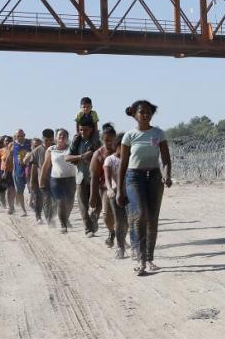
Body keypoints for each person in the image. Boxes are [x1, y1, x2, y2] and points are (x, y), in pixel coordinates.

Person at [117, 100, 172, 273]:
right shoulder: (129, 136)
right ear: (134, 114)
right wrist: (119, 189)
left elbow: (166, 159)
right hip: (134, 177)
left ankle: (149, 258)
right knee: (140, 214)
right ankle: (140, 260)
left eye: (149, 112)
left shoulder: (158, 134)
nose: (146, 115)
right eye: (142, 112)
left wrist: (167, 175)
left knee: (152, 219)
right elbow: (123, 164)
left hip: (154, 177)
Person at [90, 127, 128, 258]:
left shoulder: (126, 153)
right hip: (106, 189)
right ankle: (112, 232)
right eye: (106, 140)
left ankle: (121, 239)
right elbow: (95, 176)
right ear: (102, 140)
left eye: (111, 140)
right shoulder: (99, 155)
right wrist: (93, 196)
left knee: (123, 219)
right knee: (107, 215)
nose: (109, 143)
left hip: (126, 189)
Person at [66, 120, 101, 236]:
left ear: (91, 130)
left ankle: (94, 218)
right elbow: (67, 157)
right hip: (80, 178)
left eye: (85, 129)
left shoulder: (97, 142)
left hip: (95, 178)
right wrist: (81, 156)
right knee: (83, 205)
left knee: (98, 204)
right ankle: (88, 229)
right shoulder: (76, 142)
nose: (82, 132)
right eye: (80, 129)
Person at [40, 128, 77, 232]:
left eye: (64, 135)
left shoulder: (72, 148)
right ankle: (63, 225)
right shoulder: (51, 150)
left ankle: (66, 218)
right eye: (59, 135)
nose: (62, 137)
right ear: (56, 137)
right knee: (61, 201)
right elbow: (46, 166)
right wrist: (41, 180)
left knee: (69, 203)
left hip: (70, 179)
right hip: (56, 180)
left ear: (67, 138)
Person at [29, 131, 56, 225]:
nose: (48, 142)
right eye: (46, 140)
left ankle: (49, 217)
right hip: (40, 179)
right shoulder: (36, 151)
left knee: (52, 200)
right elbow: (33, 167)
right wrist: (32, 181)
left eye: (50, 140)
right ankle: (38, 217)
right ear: (43, 139)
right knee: (39, 199)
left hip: (54, 179)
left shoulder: (56, 148)